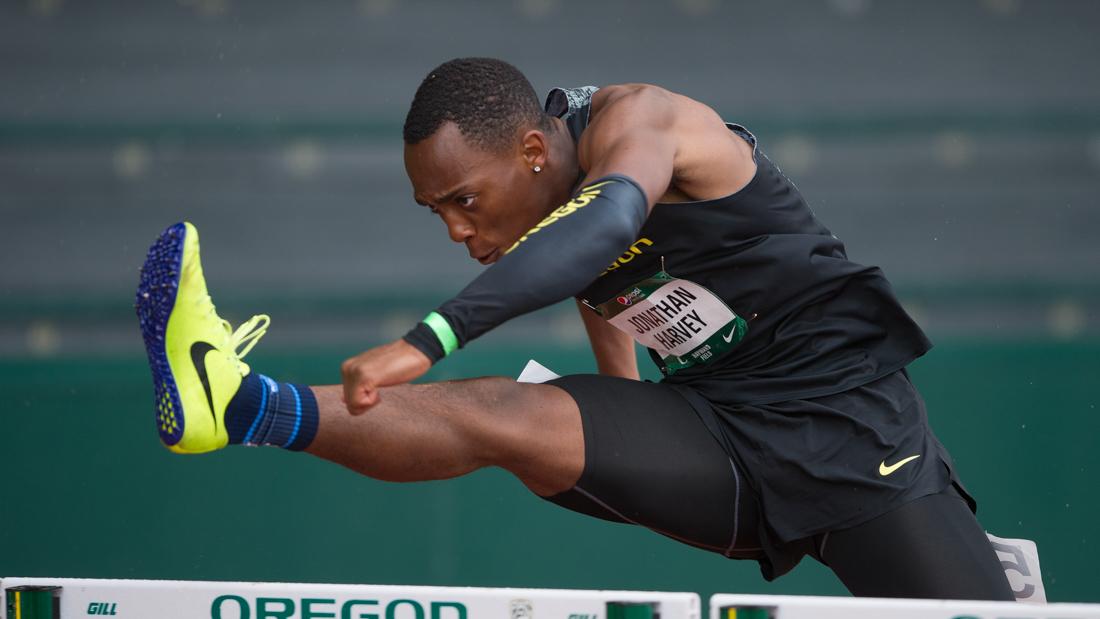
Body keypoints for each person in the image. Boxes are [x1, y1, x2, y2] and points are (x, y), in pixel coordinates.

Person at [135, 57, 1014, 599]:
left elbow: (604, 230)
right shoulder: (549, 205)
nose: (454, 230)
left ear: (530, 151)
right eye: (433, 209)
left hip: (854, 437)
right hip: (723, 432)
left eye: (463, 200)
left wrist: (426, 338)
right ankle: (241, 404)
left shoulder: (646, 121)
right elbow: (609, 284)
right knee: (507, 414)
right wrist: (628, 430)